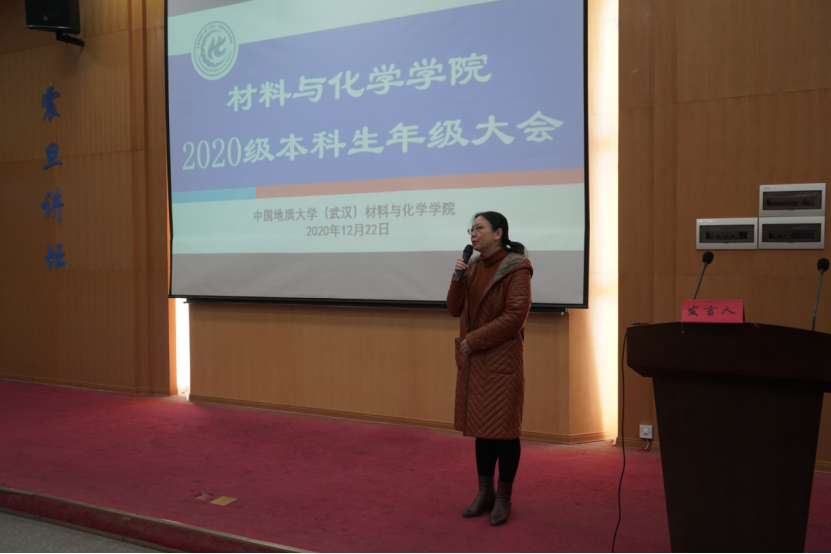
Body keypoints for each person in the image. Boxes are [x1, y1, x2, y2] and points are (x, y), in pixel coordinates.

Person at [446, 211, 533, 527]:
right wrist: (457, 278)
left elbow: (514, 316)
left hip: (501, 361)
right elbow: (454, 309)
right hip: (474, 361)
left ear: (499, 233)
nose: (473, 233)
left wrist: (474, 340)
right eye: (471, 228)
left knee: (505, 433)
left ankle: (504, 497)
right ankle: (485, 492)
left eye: (479, 228)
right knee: (482, 430)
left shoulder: (517, 268)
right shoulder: (471, 267)